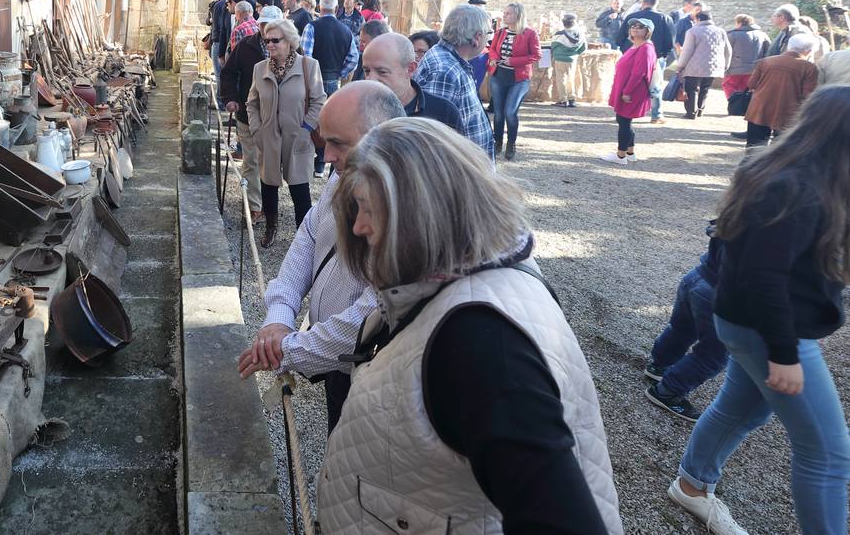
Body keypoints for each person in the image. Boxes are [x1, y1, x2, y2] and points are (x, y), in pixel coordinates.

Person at [317, 118, 624, 534]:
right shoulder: (463, 284)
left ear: (419, 215)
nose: (357, 227)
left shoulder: (480, 341)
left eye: (368, 209)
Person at [667, 86, 850, 535]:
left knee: (744, 408)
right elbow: (764, 278)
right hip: (766, 328)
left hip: (750, 322)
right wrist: (784, 353)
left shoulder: (796, 172)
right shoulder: (794, 186)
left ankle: (691, 487)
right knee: (828, 453)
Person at [238, 81, 405, 430]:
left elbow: (371, 314)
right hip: (337, 364)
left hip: (371, 373)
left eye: (337, 143)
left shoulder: (406, 209)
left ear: (380, 136)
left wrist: (287, 349)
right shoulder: (347, 172)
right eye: (324, 141)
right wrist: (279, 316)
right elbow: (310, 235)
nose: (327, 156)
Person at [246, 18, 326, 246]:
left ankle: (305, 237)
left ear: (289, 41)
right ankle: (271, 228)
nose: (269, 45)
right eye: (266, 41)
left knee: (300, 188)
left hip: (297, 136)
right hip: (268, 137)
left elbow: (319, 100)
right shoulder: (259, 69)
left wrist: (306, 129)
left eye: (275, 40)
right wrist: (256, 129)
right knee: (268, 185)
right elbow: (251, 103)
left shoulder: (309, 66)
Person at [646, 225, 729, 423]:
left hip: (697, 277)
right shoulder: (776, 225)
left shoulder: (745, 206)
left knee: (680, 329)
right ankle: (667, 392)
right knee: (713, 354)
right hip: (719, 295)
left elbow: (713, 228)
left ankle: (658, 366)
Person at [220, 7, 287, 225]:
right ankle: (255, 207)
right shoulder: (245, 46)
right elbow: (229, 72)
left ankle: (270, 207)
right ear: (258, 24)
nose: (266, 29)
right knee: (250, 160)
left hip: (278, 117)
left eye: (271, 25)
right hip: (248, 114)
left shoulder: (291, 48)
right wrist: (230, 97)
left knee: (270, 163)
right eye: (263, 24)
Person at [413, 4, 495, 160]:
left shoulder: (451, 62)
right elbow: (435, 138)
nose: (488, 38)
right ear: (477, 38)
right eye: (488, 33)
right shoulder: (444, 71)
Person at [303, 0, 360, 176]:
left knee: (309, 117)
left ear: (319, 8)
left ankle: (305, 158)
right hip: (332, 80)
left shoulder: (312, 26)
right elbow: (353, 58)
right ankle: (320, 164)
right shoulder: (346, 31)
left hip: (313, 79)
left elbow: (306, 56)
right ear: (337, 10)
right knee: (328, 122)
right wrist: (339, 73)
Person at [362, 32, 464, 131]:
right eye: (367, 71)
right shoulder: (358, 109)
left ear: (410, 69)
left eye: (382, 72)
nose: (371, 79)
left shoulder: (444, 112)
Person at [745, 33, 819, 148]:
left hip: (760, 108)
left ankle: (750, 165)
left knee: (754, 146)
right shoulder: (809, 67)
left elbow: (751, 84)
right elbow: (808, 94)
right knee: (780, 149)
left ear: (789, 46)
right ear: (808, 51)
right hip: (789, 112)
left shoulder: (766, 61)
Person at [487, 2, 541, 160]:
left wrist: (514, 61)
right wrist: (494, 59)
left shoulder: (530, 33)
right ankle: (497, 143)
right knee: (498, 114)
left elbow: (536, 55)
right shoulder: (500, 32)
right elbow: (492, 50)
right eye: (504, 12)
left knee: (510, 112)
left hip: (519, 79)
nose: (504, 15)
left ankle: (511, 143)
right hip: (498, 77)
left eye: (508, 13)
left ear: (518, 15)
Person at [601, 18, 657, 165]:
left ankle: (620, 156)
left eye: (640, 27)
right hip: (627, 89)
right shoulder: (636, 46)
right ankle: (630, 152)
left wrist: (627, 92)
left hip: (632, 91)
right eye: (633, 26)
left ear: (647, 31)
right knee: (624, 120)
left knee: (624, 121)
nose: (635, 28)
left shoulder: (645, 48)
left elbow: (639, 73)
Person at [618, 0, 674, 124]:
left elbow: (620, 37)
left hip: (632, 54)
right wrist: (663, 55)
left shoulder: (632, 17)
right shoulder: (664, 18)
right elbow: (670, 41)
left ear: (642, 3)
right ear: (656, 3)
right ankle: (656, 114)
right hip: (655, 56)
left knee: (630, 82)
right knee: (655, 85)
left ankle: (626, 111)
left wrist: (626, 52)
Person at [676, 10, 731, 119]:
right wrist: (726, 65)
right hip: (713, 66)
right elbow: (728, 50)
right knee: (705, 89)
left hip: (694, 66)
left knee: (692, 89)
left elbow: (687, 51)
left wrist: (680, 65)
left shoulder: (692, 31)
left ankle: (691, 112)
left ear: (698, 19)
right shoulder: (721, 31)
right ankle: (700, 110)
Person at [724, 14, 768, 98]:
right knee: (748, 91)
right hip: (754, 70)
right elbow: (768, 52)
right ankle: (746, 108)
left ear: (739, 23)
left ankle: (734, 105)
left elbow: (726, 52)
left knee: (730, 88)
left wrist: (725, 67)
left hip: (734, 69)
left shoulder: (732, 35)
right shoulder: (762, 35)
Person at [551, 13, 587, 108]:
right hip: (572, 59)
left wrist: (556, 54)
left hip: (560, 59)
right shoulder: (580, 34)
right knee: (571, 79)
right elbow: (584, 47)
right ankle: (572, 99)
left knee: (561, 79)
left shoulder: (559, 34)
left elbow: (553, 46)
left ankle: (563, 100)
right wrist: (575, 54)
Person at [352, 18, 390, 83]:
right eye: (360, 41)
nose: (360, 45)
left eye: (364, 42)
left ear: (378, 41)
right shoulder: (361, 58)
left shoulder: (388, 64)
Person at [206, 0, 229, 77]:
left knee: (219, 74)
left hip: (218, 40)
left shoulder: (217, 4)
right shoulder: (220, 4)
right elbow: (209, 21)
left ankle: (219, 92)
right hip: (225, 40)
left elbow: (217, 26)